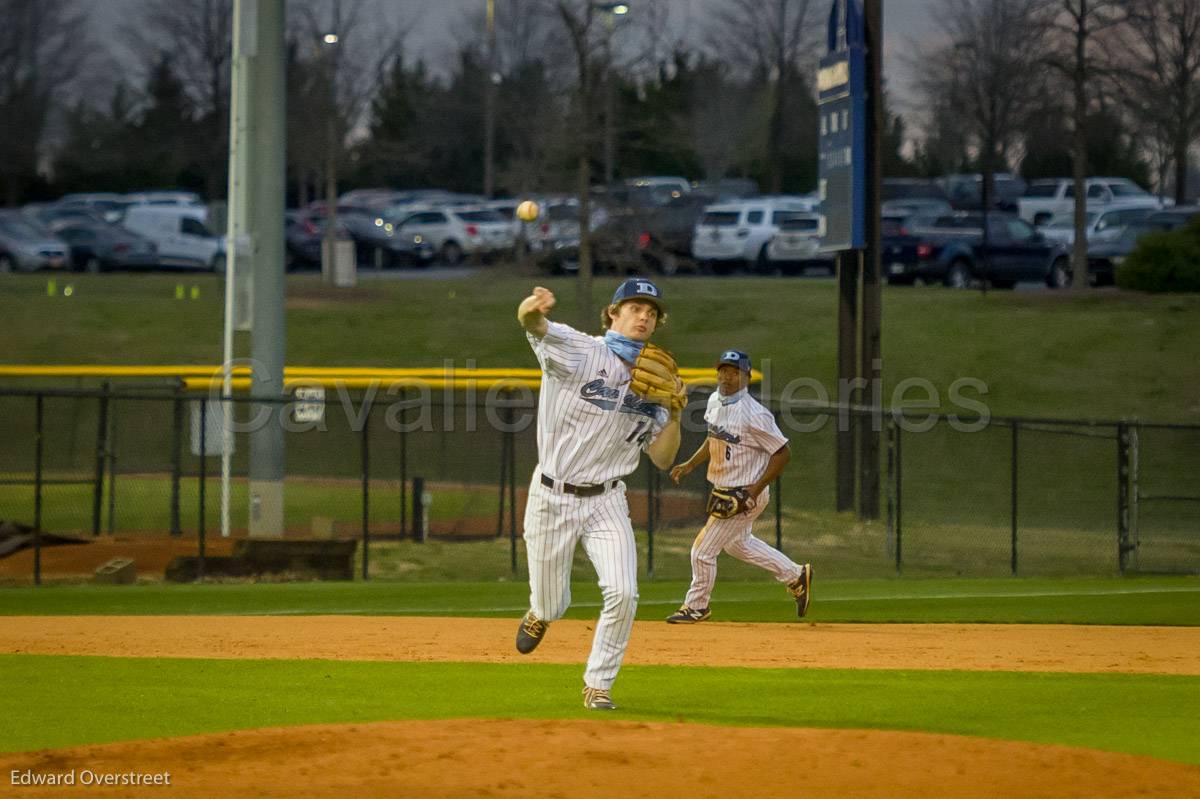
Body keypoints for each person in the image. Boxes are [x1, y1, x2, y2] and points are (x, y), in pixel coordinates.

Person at [515, 279, 682, 710]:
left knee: (624, 592)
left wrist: (676, 415)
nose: (644, 316)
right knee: (553, 603)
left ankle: (599, 684)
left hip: (607, 498)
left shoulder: (657, 380)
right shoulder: (580, 349)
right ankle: (540, 614)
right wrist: (532, 308)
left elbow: (663, 459)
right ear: (612, 313)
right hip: (553, 495)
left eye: (652, 312)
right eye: (635, 307)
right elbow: (534, 325)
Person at [666, 349, 810, 623]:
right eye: (723, 371)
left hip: (744, 492)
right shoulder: (714, 401)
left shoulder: (755, 414)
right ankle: (795, 575)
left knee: (702, 550)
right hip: (724, 489)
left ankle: (696, 606)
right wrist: (690, 464)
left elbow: (783, 453)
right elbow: (713, 437)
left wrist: (752, 492)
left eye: (734, 372)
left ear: (745, 377)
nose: (727, 377)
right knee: (737, 544)